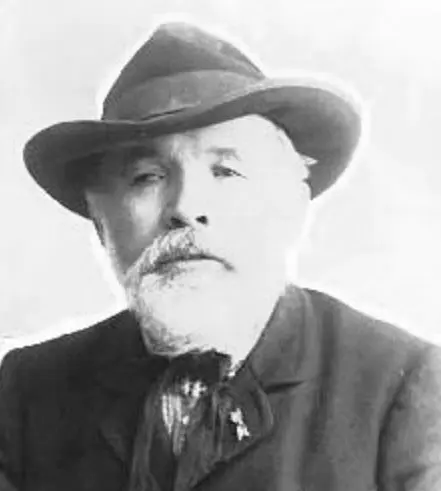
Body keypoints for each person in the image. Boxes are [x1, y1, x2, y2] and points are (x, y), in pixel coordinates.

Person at [1, 21, 440, 491]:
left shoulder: (403, 388)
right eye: (147, 177)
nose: (187, 208)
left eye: (227, 171)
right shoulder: (26, 391)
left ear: (293, 204)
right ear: (100, 220)